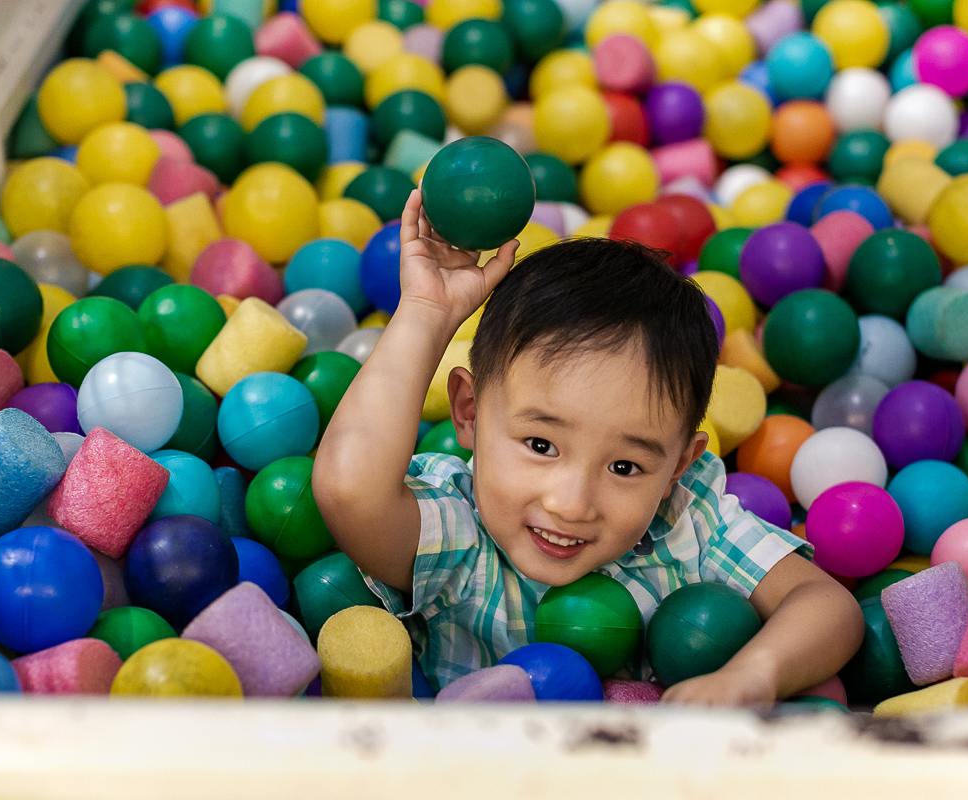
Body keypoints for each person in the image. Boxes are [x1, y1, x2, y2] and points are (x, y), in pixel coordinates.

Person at [313, 190, 864, 701]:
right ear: (470, 412)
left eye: (625, 466)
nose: (571, 503)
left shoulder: (687, 526)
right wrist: (427, 314)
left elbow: (827, 606)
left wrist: (751, 675)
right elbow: (347, 490)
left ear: (678, 466)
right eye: (541, 444)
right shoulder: (462, 530)